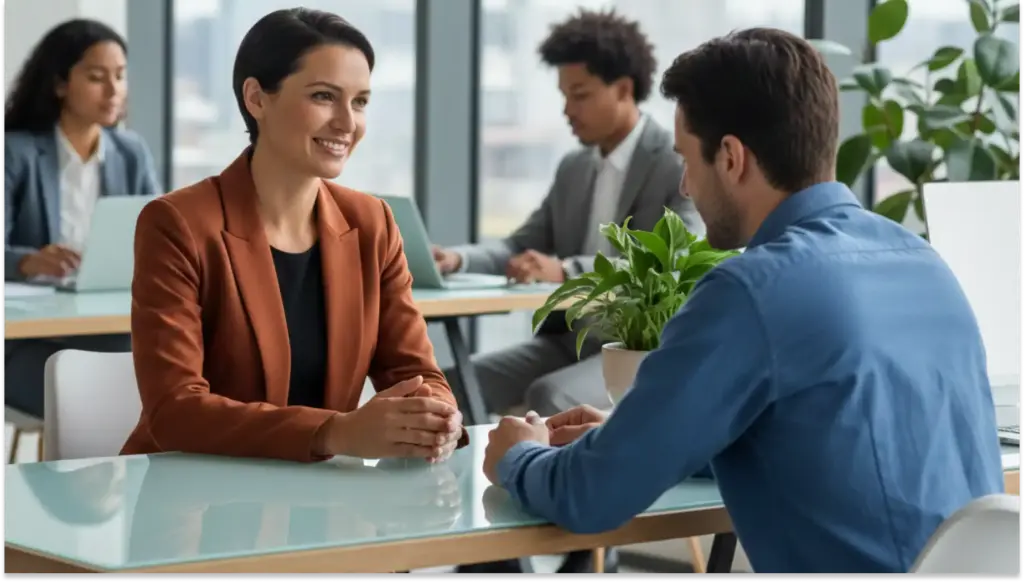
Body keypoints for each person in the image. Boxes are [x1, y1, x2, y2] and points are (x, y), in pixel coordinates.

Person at [482, 28, 1005, 574]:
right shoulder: (924, 262)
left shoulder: (751, 290)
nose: (685, 186)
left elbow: (589, 498)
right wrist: (632, 436)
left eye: (688, 160)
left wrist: (518, 454)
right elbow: (824, 440)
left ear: (731, 157)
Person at [121, 8, 465, 464]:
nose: (347, 122)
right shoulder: (178, 223)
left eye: (360, 101)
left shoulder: (372, 223)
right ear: (257, 99)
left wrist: (438, 416)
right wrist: (335, 433)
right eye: (324, 96)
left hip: (320, 498)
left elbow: (415, 371)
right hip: (190, 501)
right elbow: (174, 410)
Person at [435, 8, 703, 421]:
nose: (567, 110)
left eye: (580, 95)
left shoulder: (674, 161)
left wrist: (564, 271)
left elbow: (670, 263)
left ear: (624, 90)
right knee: (447, 386)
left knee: (550, 396)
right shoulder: (574, 168)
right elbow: (521, 246)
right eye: (564, 96)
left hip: (640, 348)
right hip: (570, 341)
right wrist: (459, 260)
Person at [2, 19, 161, 419]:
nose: (113, 91)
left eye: (120, 76)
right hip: (29, 340)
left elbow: (162, 239)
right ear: (59, 84)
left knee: (158, 378)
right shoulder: (16, 152)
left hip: (108, 329)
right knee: (104, 400)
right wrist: (26, 261)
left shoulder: (131, 152)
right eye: (96, 77)